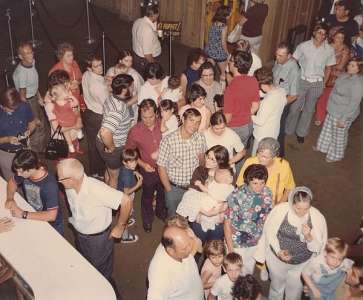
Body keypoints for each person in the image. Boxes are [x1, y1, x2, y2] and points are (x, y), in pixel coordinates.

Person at [57, 158, 131, 296]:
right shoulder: (69, 187)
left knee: (102, 271)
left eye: (60, 179)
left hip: (99, 239)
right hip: (80, 234)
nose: (59, 182)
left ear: (72, 178)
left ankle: (108, 293)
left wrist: (120, 226)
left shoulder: (96, 189)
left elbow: (126, 201)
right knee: (87, 264)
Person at [262, 186, 328, 300]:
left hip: (302, 264)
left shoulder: (316, 217)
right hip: (277, 259)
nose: (302, 212)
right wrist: (278, 251)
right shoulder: (281, 210)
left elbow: (318, 248)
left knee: (295, 291)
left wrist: (308, 236)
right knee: (276, 287)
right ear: (292, 203)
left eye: (306, 209)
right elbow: (270, 233)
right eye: (298, 208)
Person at [285, 23, 336, 144]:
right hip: (302, 80)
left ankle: (301, 133)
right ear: (314, 33)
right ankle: (288, 130)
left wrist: (323, 84)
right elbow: (293, 61)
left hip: (317, 83)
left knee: (309, 109)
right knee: (295, 107)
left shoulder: (329, 50)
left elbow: (328, 68)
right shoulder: (303, 46)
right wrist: (293, 78)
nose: (321, 36)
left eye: (324, 34)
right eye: (319, 32)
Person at [126, 99, 167, 233]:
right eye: (144, 117)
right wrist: (142, 165)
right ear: (140, 115)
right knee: (147, 195)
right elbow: (129, 152)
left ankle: (161, 212)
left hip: (166, 168)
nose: (148, 120)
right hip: (148, 169)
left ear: (156, 113)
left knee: (163, 192)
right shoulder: (135, 131)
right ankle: (147, 219)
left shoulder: (165, 124)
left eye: (151, 117)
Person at [157, 108, 207, 217]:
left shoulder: (200, 138)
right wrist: (169, 190)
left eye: (197, 122)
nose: (194, 125)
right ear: (183, 120)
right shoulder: (169, 140)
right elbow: (161, 167)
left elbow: (202, 161)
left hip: (193, 187)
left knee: (191, 217)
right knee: (174, 219)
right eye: (191, 120)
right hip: (174, 188)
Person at [224, 164, 272, 276]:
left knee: (248, 271)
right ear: (247, 181)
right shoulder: (236, 196)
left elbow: (268, 216)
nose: (259, 187)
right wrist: (231, 251)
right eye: (255, 183)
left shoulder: (267, 193)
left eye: (262, 183)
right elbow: (227, 224)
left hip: (256, 240)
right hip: (237, 242)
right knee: (235, 274)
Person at [177, 145, 230, 243]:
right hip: (200, 216)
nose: (207, 160)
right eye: (207, 156)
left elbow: (229, 198)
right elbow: (191, 196)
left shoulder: (227, 175)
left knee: (215, 244)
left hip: (218, 218)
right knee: (197, 242)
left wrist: (217, 212)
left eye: (212, 160)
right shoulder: (200, 171)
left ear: (220, 162)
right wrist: (205, 212)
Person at [314, 58, 363, 162]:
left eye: (353, 66)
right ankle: (323, 147)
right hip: (333, 109)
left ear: (359, 69)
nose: (349, 66)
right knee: (327, 130)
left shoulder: (358, 84)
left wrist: (344, 119)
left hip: (343, 113)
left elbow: (354, 103)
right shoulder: (345, 75)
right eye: (349, 64)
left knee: (338, 136)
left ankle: (336, 156)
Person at [5, 149, 64, 235]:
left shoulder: (49, 185)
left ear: (31, 168)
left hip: (52, 226)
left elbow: (52, 216)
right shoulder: (25, 172)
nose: (18, 174)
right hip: (33, 213)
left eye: (20, 171)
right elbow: (12, 182)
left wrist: (23, 214)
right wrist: (10, 198)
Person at [147, 225, 204, 300]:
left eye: (189, 243)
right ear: (171, 251)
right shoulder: (160, 275)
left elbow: (198, 247)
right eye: (184, 248)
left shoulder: (180, 243)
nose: (190, 248)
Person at [96, 74, 133, 188]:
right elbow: (105, 132)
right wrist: (112, 148)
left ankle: (105, 187)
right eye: (131, 86)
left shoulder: (112, 97)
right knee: (114, 178)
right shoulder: (118, 109)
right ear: (123, 90)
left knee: (109, 170)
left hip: (102, 143)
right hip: (112, 146)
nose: (133, 88)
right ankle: (111, 202)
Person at [13, 42, 49, 153]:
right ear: (20, 56)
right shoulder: (21, 74)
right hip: (27, 102)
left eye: (31, 52)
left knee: (42, 125)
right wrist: (32, 115)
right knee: (35, 128)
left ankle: (42, 149)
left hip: (34, 98)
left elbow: (33, 84)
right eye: (27, 53)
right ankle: (34, 155)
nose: (31, 55)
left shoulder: (32, 63)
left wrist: (39, 97)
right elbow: (23, 98)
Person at [237, 138, 295, 205]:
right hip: (252, 202)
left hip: (275, 203)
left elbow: (289, 188)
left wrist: (279, 204)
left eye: (265, 157)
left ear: (274, 157)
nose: (260, 158)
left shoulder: (283, 166)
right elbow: (240, 184)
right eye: (258, 154)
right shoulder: (250, 162)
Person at [224, 50, 260, 148]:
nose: (228, 63)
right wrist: (244, 115)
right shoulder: (253, 80)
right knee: (241, 151)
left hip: (234, 129)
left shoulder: (230, 89)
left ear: (236, 65)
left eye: (230, 61)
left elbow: (227, 118)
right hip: (247, 126)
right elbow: (255, 106)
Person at [315, 28, 351, 126]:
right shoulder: (327, 47)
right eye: (338, 37)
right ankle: (320, 115)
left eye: (342, 38)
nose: (340, 40)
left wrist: (328, 67)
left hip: (335, 76)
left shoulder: (345, 50)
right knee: (320, 96)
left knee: (327, 96)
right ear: (333, 37)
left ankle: (322, 116)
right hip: (322, 73)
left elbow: (340, 66)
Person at [82, 54, 108, 179]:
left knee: (92, 144)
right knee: (102, 145)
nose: (101, 68)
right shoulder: (98, 87)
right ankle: (102, 172)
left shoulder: (86, 75)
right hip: (99, 116)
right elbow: (106, 103)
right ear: (89, 68)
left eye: (101, 64)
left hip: (88, 113)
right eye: (96, 66)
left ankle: (94, 171)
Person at [0, 88, 36, 180]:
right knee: (12, 180)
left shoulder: (23, 106)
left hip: (25, 150)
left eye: (16, 108)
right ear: (2, 105)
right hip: (6, 154)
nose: (13, 111)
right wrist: (7, 139)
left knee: (29, 180)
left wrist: (28, 132)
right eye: (10, 110)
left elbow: (32, 123)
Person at [272, 42, 300, 157]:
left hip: (283, 102)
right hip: (274, 98)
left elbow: (294, 95)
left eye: (281, 56)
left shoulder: (294, 70)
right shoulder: (278, 61)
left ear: (289, 56)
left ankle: (280, 155)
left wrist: (280, 105)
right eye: (277, 55)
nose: (277, 58)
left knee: (279, 129)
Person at [251, 67, 287, 155]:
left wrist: (249, 114)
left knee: (256, 157)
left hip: (262, 135)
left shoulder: (267, 102)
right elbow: (269, 94)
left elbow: (259, 121)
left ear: (261, 84)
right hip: (274, 131)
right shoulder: (281, 91)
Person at [48, 71, 83, 154]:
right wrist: (75, 125)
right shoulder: (50, 104)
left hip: (73, 135)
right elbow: (58, 129)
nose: (69, 84)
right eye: (66, 83)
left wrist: (78, 119)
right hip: (62, 140)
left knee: (74, 155)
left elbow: (77, 111)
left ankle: (75, 148)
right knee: (65, 162)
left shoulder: (68, 94)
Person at [49, 42, 85, 110]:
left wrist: (77, 82)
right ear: (61, 57)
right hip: (63, 104)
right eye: (68, 56)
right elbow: (53, 93)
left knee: (77, 117)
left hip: (75, 100)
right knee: (69, 119)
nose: (72, 57)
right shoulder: (54, 71)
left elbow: (80, 78)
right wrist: (68, 87)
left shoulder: (74, 63)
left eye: (72, 54)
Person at [116, 148, 141, 243]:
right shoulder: (126, 176)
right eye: (131, 162)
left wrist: (135, 172)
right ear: (124, 162)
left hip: (124, 196)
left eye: (135, 161)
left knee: (126, 212)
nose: (135, 164)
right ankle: (124, 236)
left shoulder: (126, 168)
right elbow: (126, 192)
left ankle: (126, 218)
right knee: (125, 216)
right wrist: (137, 185)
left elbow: (130, 170)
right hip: (126, 197)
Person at [204, 5, 231, 83]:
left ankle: (208, 84)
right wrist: (227, 53)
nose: (230, 15)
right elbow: (223, 43)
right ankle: (222, 90)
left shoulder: (214, 22)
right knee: (224, 73)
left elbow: (211, 37)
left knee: (210, 71)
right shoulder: (224, 26)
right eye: (229, 13)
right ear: (225, 15)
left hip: (209, 50)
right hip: (219, 53)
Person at [132, 4, 161, 74]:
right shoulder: (147, 31)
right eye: (158, 13)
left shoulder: (138, 21)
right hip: (145, 61)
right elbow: (147, 54)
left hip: (137, 56)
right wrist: (154, 65)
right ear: (155, 15)